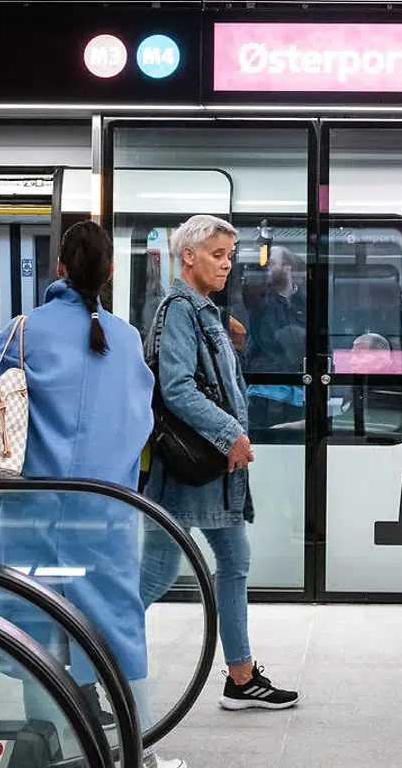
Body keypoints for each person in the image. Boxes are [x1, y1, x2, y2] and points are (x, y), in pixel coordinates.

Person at [0, 222, 184, 768]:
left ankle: (51, 746)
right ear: (109, 272)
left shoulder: (23, 331)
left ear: (59, 267)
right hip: (106, 510)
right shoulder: (127, 339)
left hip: (31, 508)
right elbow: (141, 422)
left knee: (31, 622)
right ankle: (137, 751)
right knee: (117, 627)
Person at [140, 215, 299, 712]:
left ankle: (241, 676)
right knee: (154, 576)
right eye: (217, 255)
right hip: (191, 472)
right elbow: (177, 387)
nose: (227, 265)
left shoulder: (204, 311)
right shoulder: (181, 310)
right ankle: (87, 657)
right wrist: (231, 434)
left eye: (230, 256)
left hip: (212, 474)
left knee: (233, 561)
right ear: (188, 256)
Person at [244, 246, 307, 434]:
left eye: (271, 264)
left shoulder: (305, 302)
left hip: (298, 392)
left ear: (287, 268)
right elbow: (275, 340)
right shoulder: (261, 301)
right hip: (265, 390)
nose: (267, 270)